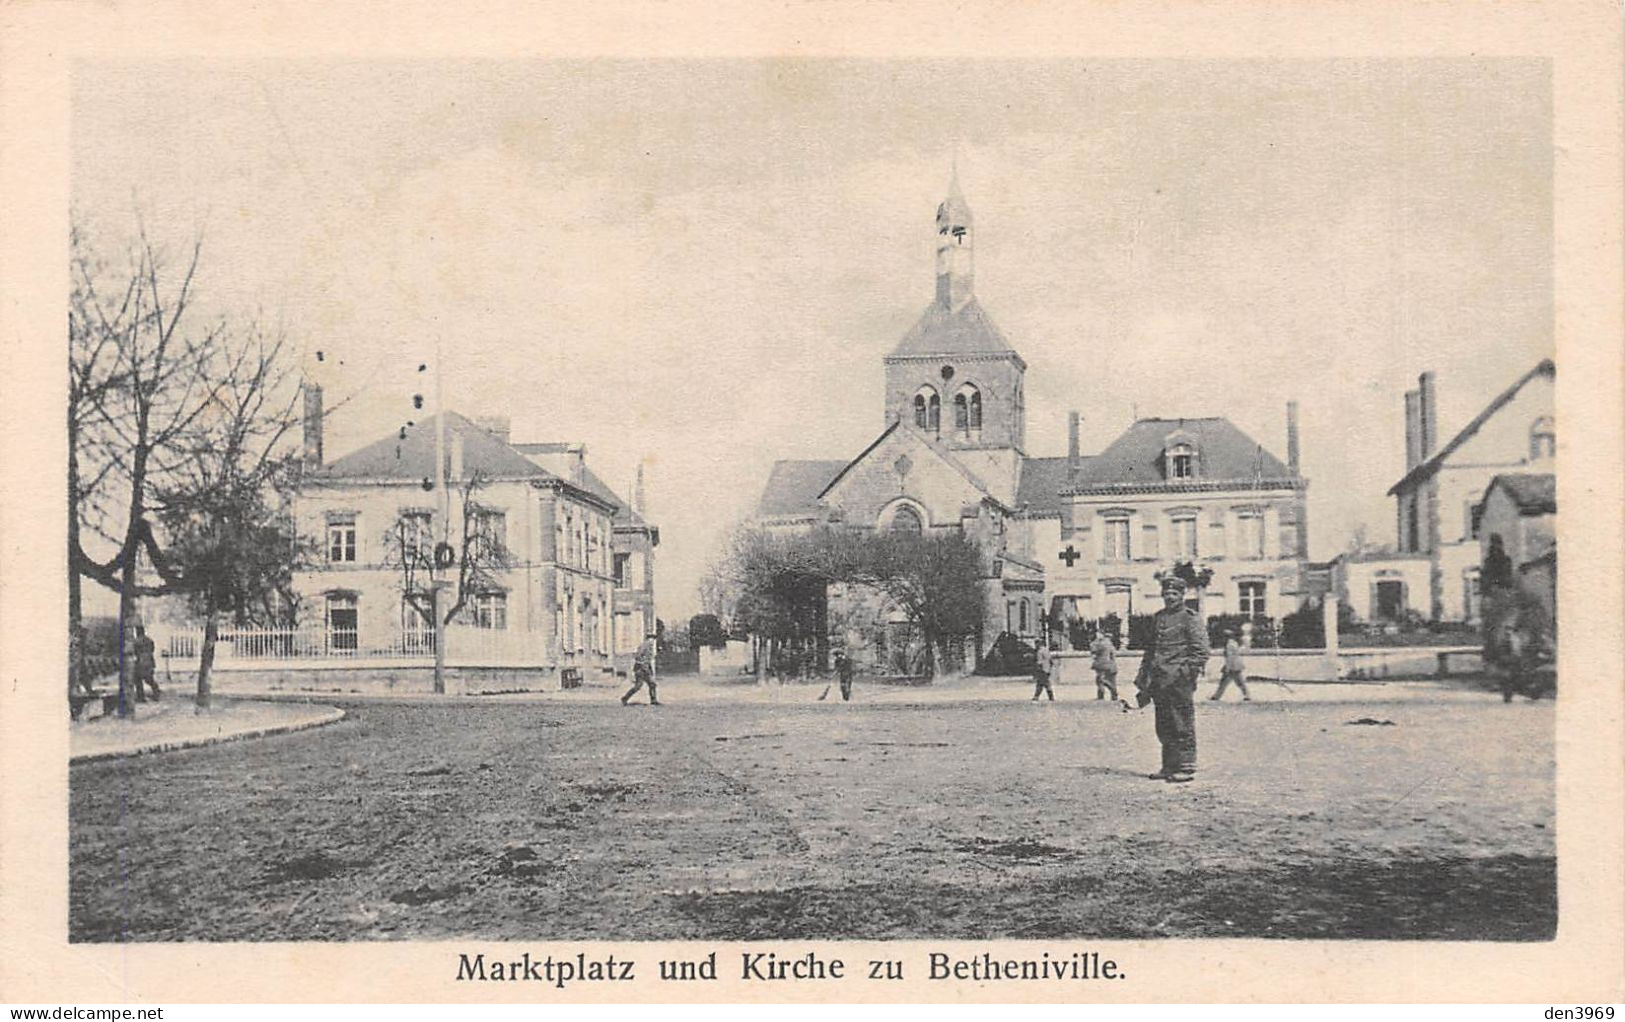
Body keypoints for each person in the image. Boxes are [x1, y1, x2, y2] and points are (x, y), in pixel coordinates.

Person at [1133, 577, 1208, 783]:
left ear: (1182, 595)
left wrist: (1185, 673)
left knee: (1182, 722)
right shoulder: (1159, 618)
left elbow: (1201, 651)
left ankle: (1186, 767)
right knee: (1164, 724)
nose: (1170, 597)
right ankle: (1169, 766)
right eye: (1167, 594)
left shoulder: (1190, 618)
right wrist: (1143, 677)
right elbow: (1151, 650)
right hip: (1159, 680)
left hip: (1179, 680)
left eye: (1174, 594)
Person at [620, 632, 660, 706]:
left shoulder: (649, 647)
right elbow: (638, 656)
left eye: (653, 639)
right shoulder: (644, 646)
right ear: (648, 639)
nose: (652, 641)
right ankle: (625, 698)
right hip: (640, 669)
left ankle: (653, 700)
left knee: (652, 684)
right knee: (638, 686)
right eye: (652, 639)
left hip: (645, 669)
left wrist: (649, 669)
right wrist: (641, 664)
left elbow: (648, 660)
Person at [1211, 629, 1251, 701]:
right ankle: (1216, 696)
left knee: (1229, 682)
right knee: (1236, 682)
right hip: (1236, 664)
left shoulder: (1229, 645)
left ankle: (1216, 696)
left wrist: (1227, 667)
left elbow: (1230, 657)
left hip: (1233, 665)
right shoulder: (1234, 643)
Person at [1089, 630, 1119, 701]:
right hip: (1111, 665)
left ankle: (1101, 696)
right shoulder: (1111, 645)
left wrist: (1094, 641)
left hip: (1101, 664)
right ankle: (1114, 695)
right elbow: (1113, 656)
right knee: (1112, 681)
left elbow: (1092, 650)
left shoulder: (1100, 643)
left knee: (1100, 681)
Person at [132, 624, 159, 702]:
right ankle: (156, 693)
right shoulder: (149, 640)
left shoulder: (136, 641)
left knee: (137, 679)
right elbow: (152, 649)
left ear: (137, 632)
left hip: (140, 662)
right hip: (149, 661)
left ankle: (141, 697)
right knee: (149, 679)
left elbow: (134, 651)